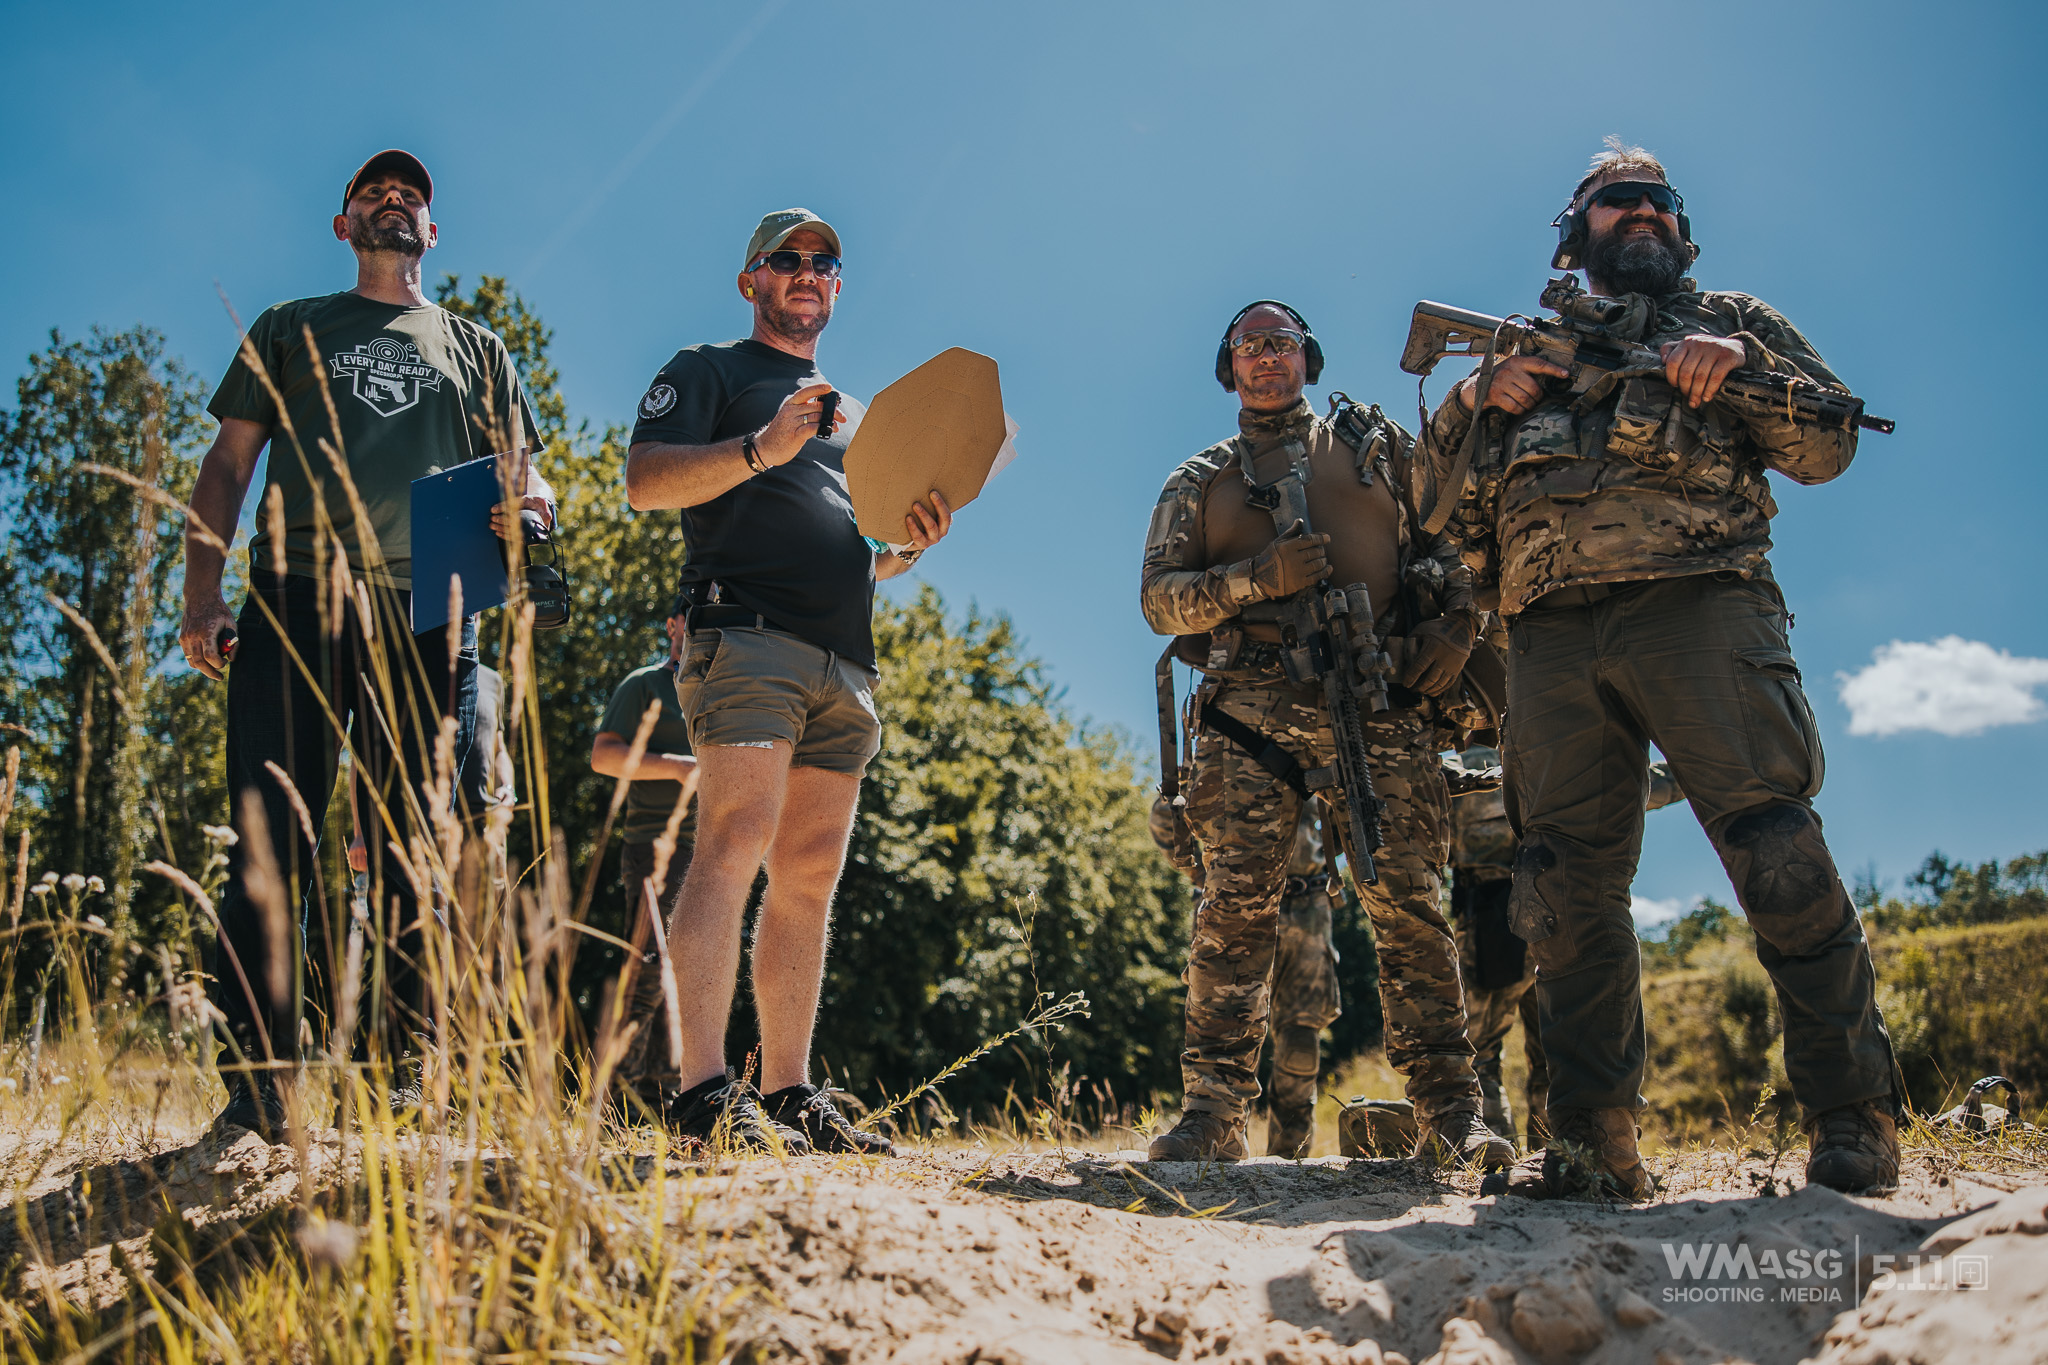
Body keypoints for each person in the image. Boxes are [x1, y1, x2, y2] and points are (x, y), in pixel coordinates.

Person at [1417, 139, 1901, 1197]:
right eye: (1611, 201)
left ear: (1681, 230)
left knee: (1772, 847)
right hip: (1543, 632)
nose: (1638, 212)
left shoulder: (1736, 321)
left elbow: (1827, 448)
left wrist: (1744, 374)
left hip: (1701, 604)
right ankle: (1591, 1146)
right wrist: (1470, 406)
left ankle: (1850, 1117)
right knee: (1557, 889)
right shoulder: (1519, 347)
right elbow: (1429, 510)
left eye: (1657, 201)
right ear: (1574, 231)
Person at [180, 149, 552, 1137]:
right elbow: (225, 464)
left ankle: (405, 1078)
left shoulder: (478, 347)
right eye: (371, 193)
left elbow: (525, 479)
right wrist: (202, 592)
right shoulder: (291, 326)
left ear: (433, 232)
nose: (393, 200)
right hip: (296, 592)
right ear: (342, 226)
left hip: (432, 601)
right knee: (272, 837)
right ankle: (260, 1087)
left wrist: (530, 514)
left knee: (416, 846)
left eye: (412, 196)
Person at [1140, 299, 1511, 1169]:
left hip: (1377, 700)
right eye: (1248, 345)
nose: (1266, 357)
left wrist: (1454, 631)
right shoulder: (1200, 479)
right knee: (1233, 911)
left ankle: (1454, 1111)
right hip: (1248, 706)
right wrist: (1253, 579)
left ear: (1306, 356)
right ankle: (1213, 1114)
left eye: (1280, 343)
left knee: (1410, 902)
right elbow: (1160, 599)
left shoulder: (1379, 451)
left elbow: (1456, 548)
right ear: (1229, 368)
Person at [623, 208, 950, 1153]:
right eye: (787, 259)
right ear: (751, 281)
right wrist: (761, 446)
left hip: (845, 657)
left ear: (838, 288)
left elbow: (852, 544)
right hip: (747, 635)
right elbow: (644, 483)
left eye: (825, 262)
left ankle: (790, 1089)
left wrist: (905, 551)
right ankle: (700, 1093)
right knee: (732, 840)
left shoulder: (851, 416)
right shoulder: (706, 370)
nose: (808, 272)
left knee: (809, 873)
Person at [1447, 745, 1684, 1147]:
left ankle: (1490, 1152)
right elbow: (1643, 784)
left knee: (1480, 1050)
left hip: (1488, 921)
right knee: (1555, 1051)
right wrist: (1695, 768)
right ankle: (1560, 1150)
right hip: (1557, 910)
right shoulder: (1550, 752)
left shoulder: (1455, 771)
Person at [1150, 799, 1342, 1158]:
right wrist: (1207, 876)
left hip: (1308, 907)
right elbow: (1165, 814)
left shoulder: (1315, 746)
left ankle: (1290, 1155)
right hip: (1237, 899)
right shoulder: (1230, 745)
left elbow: (1345, 813)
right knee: (1226, 1020)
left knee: (1302, 1037)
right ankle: (1223, 1129)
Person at [589, 596, 699, 1103]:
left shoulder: (720, 689)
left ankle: (666, 1096)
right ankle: (612, 1094)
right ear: (673, 625)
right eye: (690, 619)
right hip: (653, 844)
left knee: (689, 972)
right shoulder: (644, 685)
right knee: (651, 966)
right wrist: (676, 767)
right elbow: (603, 756)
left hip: (711, 851)